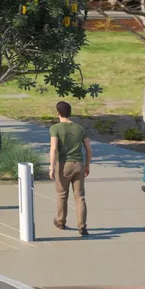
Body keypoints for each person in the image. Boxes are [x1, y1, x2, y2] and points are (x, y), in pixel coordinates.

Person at [49, 100, 91, 236]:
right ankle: (82, 227)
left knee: (62, 195)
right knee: (80, 197)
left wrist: (51, 166)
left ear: (58, 113)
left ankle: (61, 222)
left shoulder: (55, 128)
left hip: (63, 165)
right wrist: (87, 165)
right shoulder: (80, 129)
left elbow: (54, 148)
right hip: (78, 164)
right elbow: (88, 149)